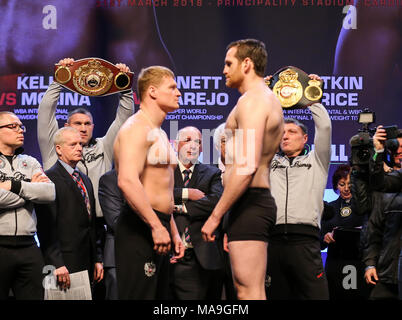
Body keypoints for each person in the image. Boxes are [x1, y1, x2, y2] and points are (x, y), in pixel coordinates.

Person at [201, 39, 284, 300]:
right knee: (245, 289)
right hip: (244, 202)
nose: (224, 70)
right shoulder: (256, 99)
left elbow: (247, 166)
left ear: (246, 64)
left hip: (250, 201)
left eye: (229, 63)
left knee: (250, 292)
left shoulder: (254, 101)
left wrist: (215, 217)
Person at [113, 65, 184, 299]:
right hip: (140, 226)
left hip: (159, 224)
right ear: (152, 91)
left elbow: (161, 187)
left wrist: (172, 230)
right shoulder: (136, 128)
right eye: (172, 87)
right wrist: (155, 226)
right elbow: (127, 181)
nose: (178, 93)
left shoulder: (159, 132)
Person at [38, 58, 134, 219]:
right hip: (64, 224)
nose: (83, 128)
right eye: (78, 123)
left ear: (93, 127)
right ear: (67, 125)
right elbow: (45, 114)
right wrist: (60, 78)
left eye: (87, 124)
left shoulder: (104, 146)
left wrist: (124, 86)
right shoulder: (54, 147)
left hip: (98, 224)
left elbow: (124, 120)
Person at [267, 99, 332, 299]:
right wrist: (264, 98)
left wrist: (312, 100)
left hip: (306, 242)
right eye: (282, 133)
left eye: (292, 132)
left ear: (305, 138)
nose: (285, 136)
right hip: (274, 243)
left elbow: (325, 126)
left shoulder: (317, 160)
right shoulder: (269, 162)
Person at [36, 127, 103, 292]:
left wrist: (97, 258)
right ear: (58, 149)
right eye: (73, 144)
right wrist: (56, 263)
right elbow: (46, 227)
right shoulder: (49, 179)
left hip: (86, 261)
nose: (79, 148)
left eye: (80, 144)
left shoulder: (85, 179)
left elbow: (91, 223)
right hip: (63, 263)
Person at [0, 111, 55, 300]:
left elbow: (49, 193)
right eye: (13, 126)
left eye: (21, 126)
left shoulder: (30, 162)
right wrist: (30, 192)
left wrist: (13, 185)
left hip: (29, 246)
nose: (21, 130)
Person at [170, 126, 224, 300]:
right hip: (168, 251)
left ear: (201, 148)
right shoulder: (164, 171)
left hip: (200, 254)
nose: (192, 146)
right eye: (187, 140)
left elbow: (215, 201)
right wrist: (188, 194)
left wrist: (180, 207)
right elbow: (157, 195)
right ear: (176, 145)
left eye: (197, 142)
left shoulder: (212, 173)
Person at [362, 125, 402, 300]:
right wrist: (378, 150)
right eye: (394, 147)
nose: (398, 151)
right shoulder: (393, 181)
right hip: (390, 272)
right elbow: (374, 231)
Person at [320, 164, 369, 300]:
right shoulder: (330, 208)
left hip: (360, 262)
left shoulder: (365, 207)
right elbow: (319, 242)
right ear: (336, 185)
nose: (346, 188)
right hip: (335, 264)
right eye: (342, 184)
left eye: (350, 184)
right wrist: (325, 237)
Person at [98, 169, 124, 300]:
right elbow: (115, 221)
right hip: (118, 255)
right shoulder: (109, 179)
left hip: (148, 252)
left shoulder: (150, 175)